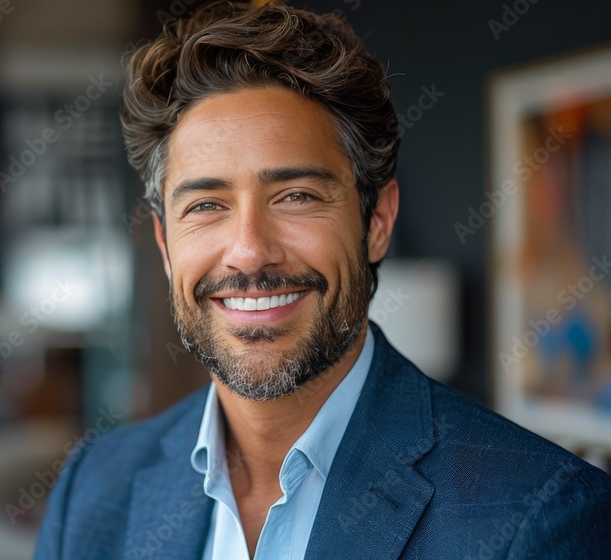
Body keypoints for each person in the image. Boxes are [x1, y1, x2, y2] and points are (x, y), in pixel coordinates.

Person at [33, 2, 611, 558]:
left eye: (297, 196)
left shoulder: (539, 515)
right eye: (206, 205)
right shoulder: (93, 487)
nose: (250, 252)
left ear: (377, 222)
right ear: (164, 245)